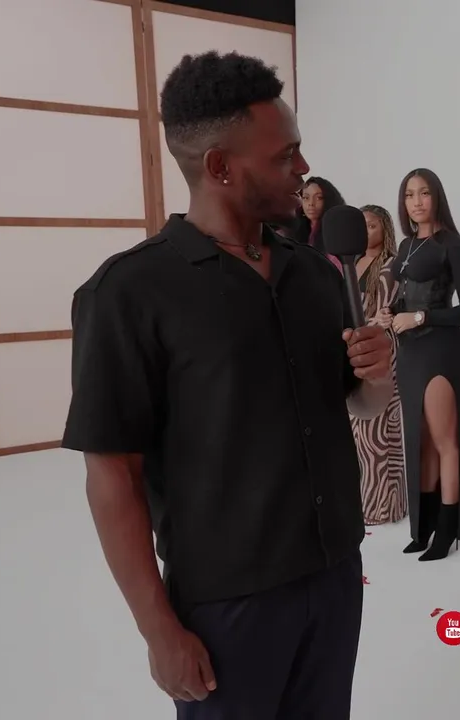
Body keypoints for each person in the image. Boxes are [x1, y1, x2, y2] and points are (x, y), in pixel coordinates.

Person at [59, 51, 393, 719]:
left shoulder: (316, 275)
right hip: (225, 605)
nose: (304, 168)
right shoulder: (128, 294)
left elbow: (358, 404)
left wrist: (378, 376)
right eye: (285, 155)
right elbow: (112, 476)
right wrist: (159, 630)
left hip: (334, 578)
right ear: (219, 167)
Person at [389, 168, 460, 561]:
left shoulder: (454, 246)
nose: (416, 201)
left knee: (445, 441)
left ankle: (446, 531)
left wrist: (420, 317)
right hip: (410, 350)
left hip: (442, 348)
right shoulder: (406, 244)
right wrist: (390, 314)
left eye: (424, 193)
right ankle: (424, 526)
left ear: (437, 196)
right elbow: (403, 297)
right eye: (409, 194)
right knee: (423, 440)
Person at [350, 204, 406, 524]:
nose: (365, 231)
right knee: (357, 430)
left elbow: (385, 315)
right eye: (361, 225)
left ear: (385, 229)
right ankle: (365, 500)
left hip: (380, 348)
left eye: (371, 225)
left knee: (377, 431)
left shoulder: (390, 265)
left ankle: (380, 506)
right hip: (356, 347)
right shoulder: (354, 262)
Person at [297, 176, 346, 251]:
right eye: (306, 198)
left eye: (319, 198)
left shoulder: (337, 232)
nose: (311, 203)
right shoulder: (295, 230)